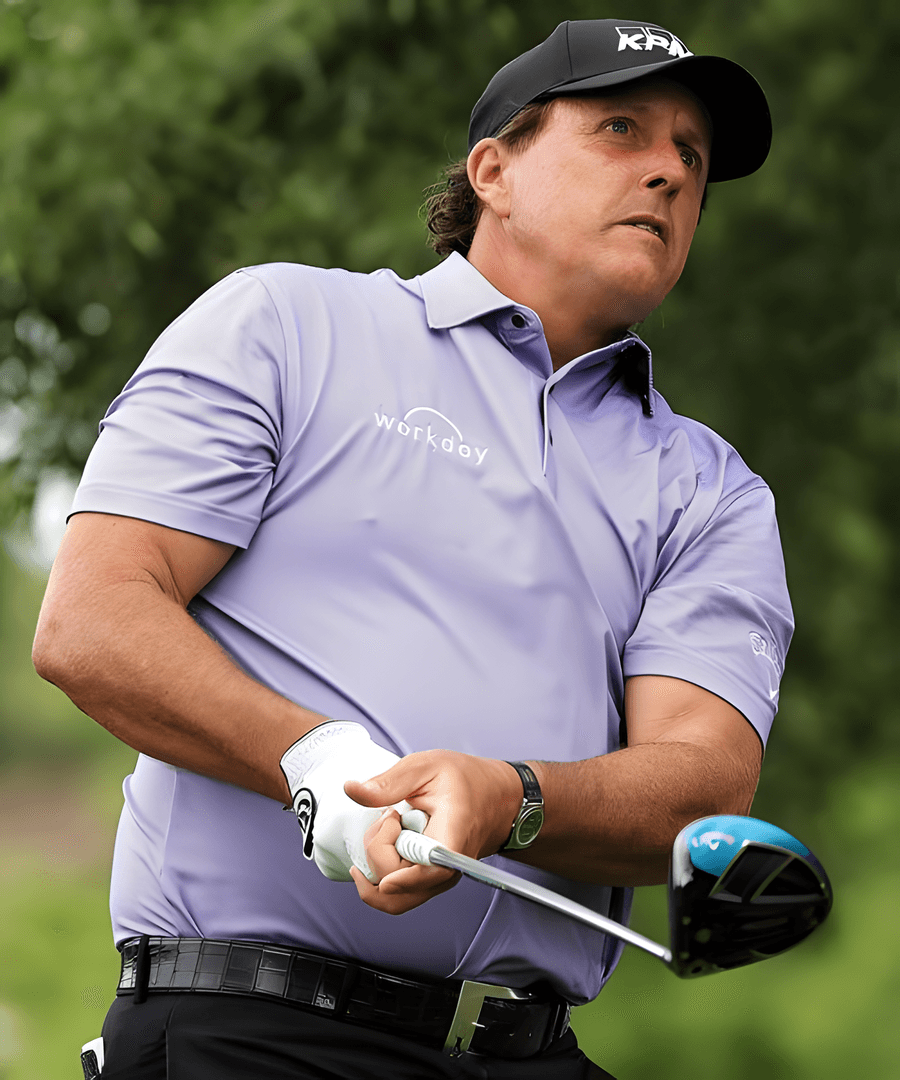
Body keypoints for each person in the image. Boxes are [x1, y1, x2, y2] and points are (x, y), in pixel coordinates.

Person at [33, 18, 793, 1080]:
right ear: (494, 172)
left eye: (693, 157)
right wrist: (314, 760)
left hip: (529, 1052)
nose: (669, 171)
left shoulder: (713, 490)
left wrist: (513, 797)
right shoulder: (287, 325)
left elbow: (701, 786)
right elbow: (93, 621)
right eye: (622, 129)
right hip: (251, 1033)